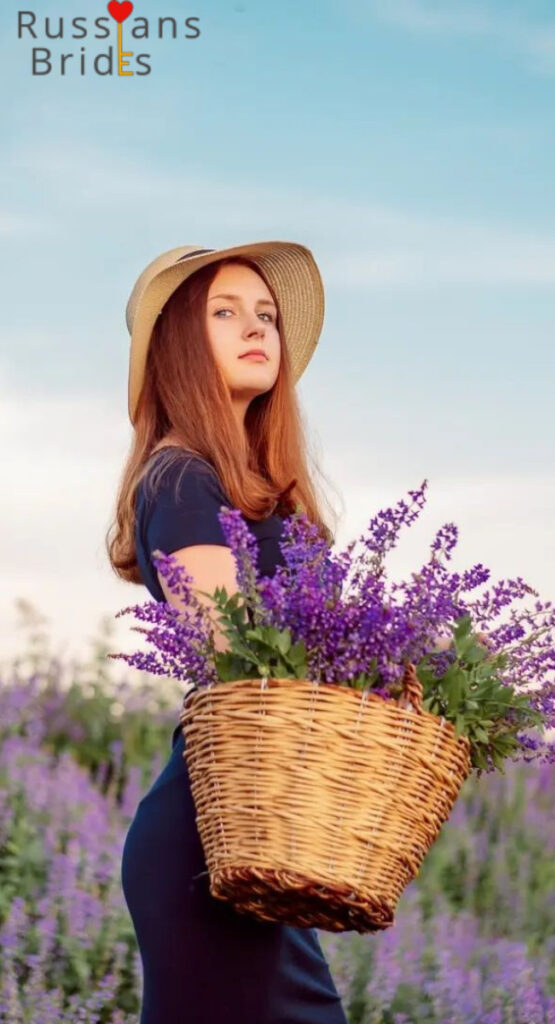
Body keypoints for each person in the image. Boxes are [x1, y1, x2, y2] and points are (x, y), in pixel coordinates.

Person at [106, 241, 349, 1023]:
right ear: (180, 343)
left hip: (260, 827)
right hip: (211, 839)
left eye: (266, 315)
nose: (256, 328)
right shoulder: (181, 478)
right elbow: (231, 652)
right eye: (225, 312)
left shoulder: (256, 488)